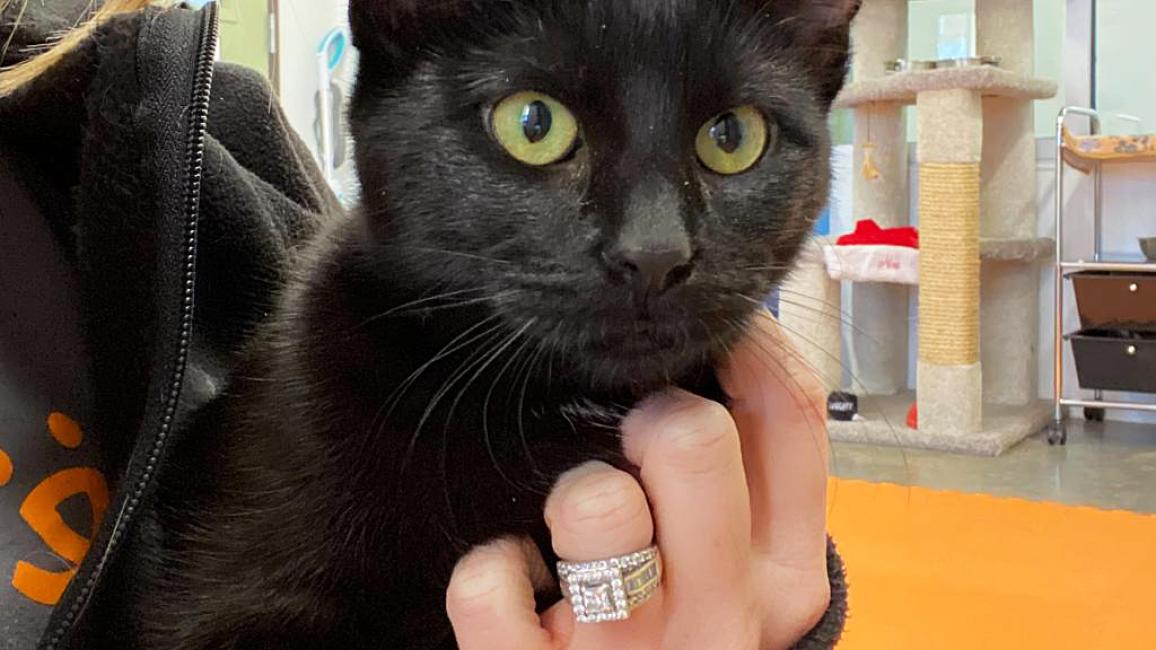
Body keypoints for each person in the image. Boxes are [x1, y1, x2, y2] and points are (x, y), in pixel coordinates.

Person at [0, 1, 846, 647]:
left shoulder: (214, 153)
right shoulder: (336, 391)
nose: (656, 247)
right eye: (535, 126)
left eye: (731, 138)